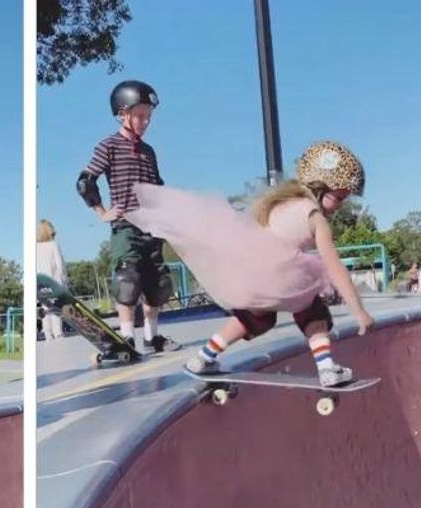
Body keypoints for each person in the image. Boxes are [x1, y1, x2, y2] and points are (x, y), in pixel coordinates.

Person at [125, 140, 375, 388]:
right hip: (284, 276)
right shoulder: (315, 217)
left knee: (257, 317)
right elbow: (335, 267)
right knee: (312, 311)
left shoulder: (278, 204)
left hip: (251, 276)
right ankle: (327, 367)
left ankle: (202, 358)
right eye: (339, 197)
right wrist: (359, 311)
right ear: (320, 187)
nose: (340, 206)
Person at [76, 80, 180, 358]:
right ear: (122, 113)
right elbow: (85, 182)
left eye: (149, 116)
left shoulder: (148, 151)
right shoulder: (108, 146)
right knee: (127, 278)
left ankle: (152, 337)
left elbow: (157, 187)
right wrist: (102, 212)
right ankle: (125, 338)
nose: (146, 122)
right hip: (126, 226)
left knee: (157, 283)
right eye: (140, 115)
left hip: (153, 225)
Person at [36, 219, 68, 339]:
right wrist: (65, 279)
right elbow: (60, 265)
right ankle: (58, 332)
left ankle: (48, 333)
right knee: (56, 307)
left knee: (45, 308)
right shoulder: (54, 244)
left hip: (40, 283)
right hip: (54, 281)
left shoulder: (35, 247)